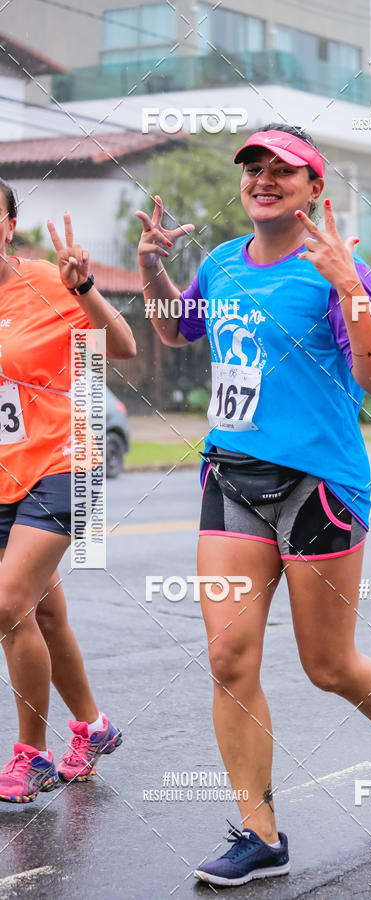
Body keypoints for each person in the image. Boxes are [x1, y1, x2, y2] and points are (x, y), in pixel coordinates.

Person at [137, 123, 371, 887]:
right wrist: (155, 273)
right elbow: (176, 330)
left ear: (314, 189)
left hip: (317, 486)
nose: (264, 179)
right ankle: (259, 833)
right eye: (254, 167)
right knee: (229, 659)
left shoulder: (336, 267)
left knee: (328, 666)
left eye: (283, 171)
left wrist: (352, 289)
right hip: (231, 477)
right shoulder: (222, 264)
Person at [0, 179, 136, 803]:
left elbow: (125, 347)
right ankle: (93, 725)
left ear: (9, 225)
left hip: (65, 461)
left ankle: (31, 756)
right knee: (44, 614)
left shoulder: (49, 282)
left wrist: (83, 289)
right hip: (5, 474)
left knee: (7, 608)